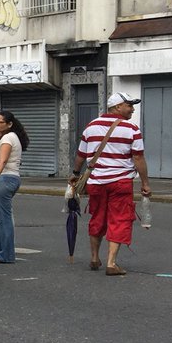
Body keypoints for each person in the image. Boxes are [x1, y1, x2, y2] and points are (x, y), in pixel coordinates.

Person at [70, 92, 152, 276]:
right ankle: (111, 263)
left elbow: (81, 155)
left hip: (96, 182)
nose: (132, 109)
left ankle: (94, 258)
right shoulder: (131, 128)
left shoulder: (91, 127)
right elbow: (138, 157)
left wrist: (75, 174)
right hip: (120, 181)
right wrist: (145, 182)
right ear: (117, 107)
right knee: (120, 219)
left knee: (97, 217)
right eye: (129, 105)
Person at [0, 111, 29, 265]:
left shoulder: (9, 137)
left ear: (9, 124)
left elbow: (3, 161)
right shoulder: (6, 138)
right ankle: (0, 251)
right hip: (6, 178)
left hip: (4, 179)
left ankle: (6, 254)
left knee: (4, 218)